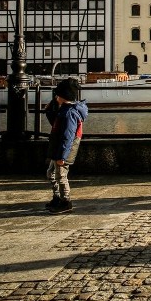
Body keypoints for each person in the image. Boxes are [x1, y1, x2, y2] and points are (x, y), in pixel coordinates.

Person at [44, 78, 89, 214]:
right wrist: (49, 110)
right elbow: (57, 125)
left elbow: (67, 136)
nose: (56, 97)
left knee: (60, 176)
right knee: (51, 174)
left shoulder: (69, 113)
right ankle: (58, 198)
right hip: (58, 148)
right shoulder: (65, 110)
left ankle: (65, 201)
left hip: (63, 150)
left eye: (57, 95)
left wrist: (62, 156)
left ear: (63, 96)